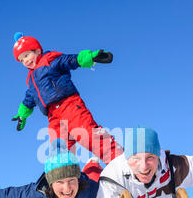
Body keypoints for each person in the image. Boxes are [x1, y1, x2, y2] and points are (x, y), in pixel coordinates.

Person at [11, 32, 123, 164]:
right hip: (53, 116)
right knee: (59, 148)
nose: (25, 61)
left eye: (26, 55)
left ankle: (119, 161)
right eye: (21, 60)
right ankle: (66, 176)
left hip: (68, 105)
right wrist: (21, 115)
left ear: (37, 50)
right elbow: (29, 98)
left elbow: (69, 60)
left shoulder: (49, 59)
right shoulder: (31, 79)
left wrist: (90, 57)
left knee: (86, 134)